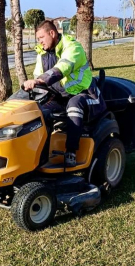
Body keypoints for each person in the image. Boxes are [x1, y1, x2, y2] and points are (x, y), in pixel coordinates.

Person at [23, 20, 106, 167]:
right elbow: (38, 75)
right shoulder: (42, 54)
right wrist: (33, 85)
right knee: (38, 110)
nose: (40, 42)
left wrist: (40, 80)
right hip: (61, 97)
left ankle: (71, 152)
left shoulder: (73, 47)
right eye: (38, 39)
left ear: (52, 33)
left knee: (74, 105)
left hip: (86, 95)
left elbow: (62, 68)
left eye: (41, 38)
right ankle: (39, 153)